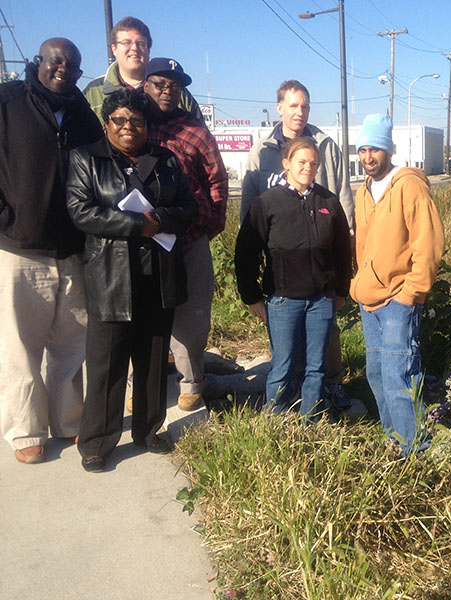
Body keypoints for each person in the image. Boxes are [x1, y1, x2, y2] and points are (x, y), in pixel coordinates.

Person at [66, 89, 197, 472]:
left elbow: (187, 206)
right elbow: (81, 211)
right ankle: (97, 442)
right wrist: (137, 224)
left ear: (146, 125)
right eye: (120, 120)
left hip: (158, 275)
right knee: (106, 363)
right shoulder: (86, 158)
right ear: (107, 123)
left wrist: (160, 220)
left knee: (153, 360)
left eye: (136, 121)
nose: (128, 128)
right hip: (111, 277)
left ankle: (149, 429)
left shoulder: (165, 159)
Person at [0, 38, 103, 464]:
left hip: (72, 249)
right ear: (38, 62)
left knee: (71, 342)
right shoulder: (8, 102)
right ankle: (25, 429)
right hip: (20, 246)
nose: (63, 69)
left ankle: (69, 420)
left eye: (72, 66)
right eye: (55, 61)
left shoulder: (82, 114)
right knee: (20, 344)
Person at [241, 80, 354, 410]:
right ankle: (280, 407)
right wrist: (255, 281)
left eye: (304, 106)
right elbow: (250, 219)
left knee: (323, 343)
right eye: (292, 105)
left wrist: (341, 278)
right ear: (279, 107)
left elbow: (341, 201)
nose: (299, 112)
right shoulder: (261, 151)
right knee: (285, 352)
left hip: (321, 272)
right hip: (281, 277)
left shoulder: (325, 145)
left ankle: (328, 389)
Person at [351, 114, 444, 456]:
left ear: (388, 149)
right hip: (369, 300)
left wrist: (411, 294)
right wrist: (359, 281)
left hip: (397, 301)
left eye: (374, 148)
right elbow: (363, 246)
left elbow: (429, 243)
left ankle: (415, 452)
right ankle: (394, 441)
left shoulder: (408, 185)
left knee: (399, 378)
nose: (367, 156)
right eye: (362, 149)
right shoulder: (363, 191)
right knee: (376, 375)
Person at [143, 57, 227, 412]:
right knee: (142, 312)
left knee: (192, 313)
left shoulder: (194, 129)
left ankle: (191, 380)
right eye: (160, 84)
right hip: (142, 238)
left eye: (175, 86)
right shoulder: (132, 122)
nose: (168, 91)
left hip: (189, 237)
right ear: (145, 84)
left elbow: (216, 179)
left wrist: (209, 223)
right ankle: (139, 382)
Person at [83, 16, 200, 121]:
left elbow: (200, 134)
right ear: (114, 49)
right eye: (126, 42)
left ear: (148, 51)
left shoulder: (177, 91)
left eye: (141, 43)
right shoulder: (93, 91)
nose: (134, 48)